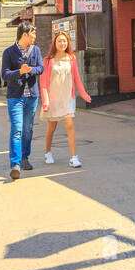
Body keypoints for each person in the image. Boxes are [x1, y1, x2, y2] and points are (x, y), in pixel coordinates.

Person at [40, 30, 92, 168]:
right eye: (59, 41)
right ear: (55, 43)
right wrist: (45, 101)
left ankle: (74, 157)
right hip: (53, 99)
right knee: (52, 127)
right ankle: (47, 152)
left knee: (70, 125)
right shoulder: (48, 60)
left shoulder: (71, 58)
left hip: (68, 98)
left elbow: (77, 79)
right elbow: (44, 83)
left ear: (68, 43)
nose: (62, 43)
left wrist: (84, 94)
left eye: (64, 41)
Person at [2, 23, 46, 180]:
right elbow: (5, 74)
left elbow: (41, 68)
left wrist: (31, 70)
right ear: (25, 34)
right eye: (33, 34)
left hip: (31, 96)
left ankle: (24, 157)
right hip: (15, 96)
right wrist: (19, 72)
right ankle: (15, 164)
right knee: (17, 129)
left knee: (28, 129)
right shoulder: (8, 52)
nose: (35, 37)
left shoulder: (36, 50)